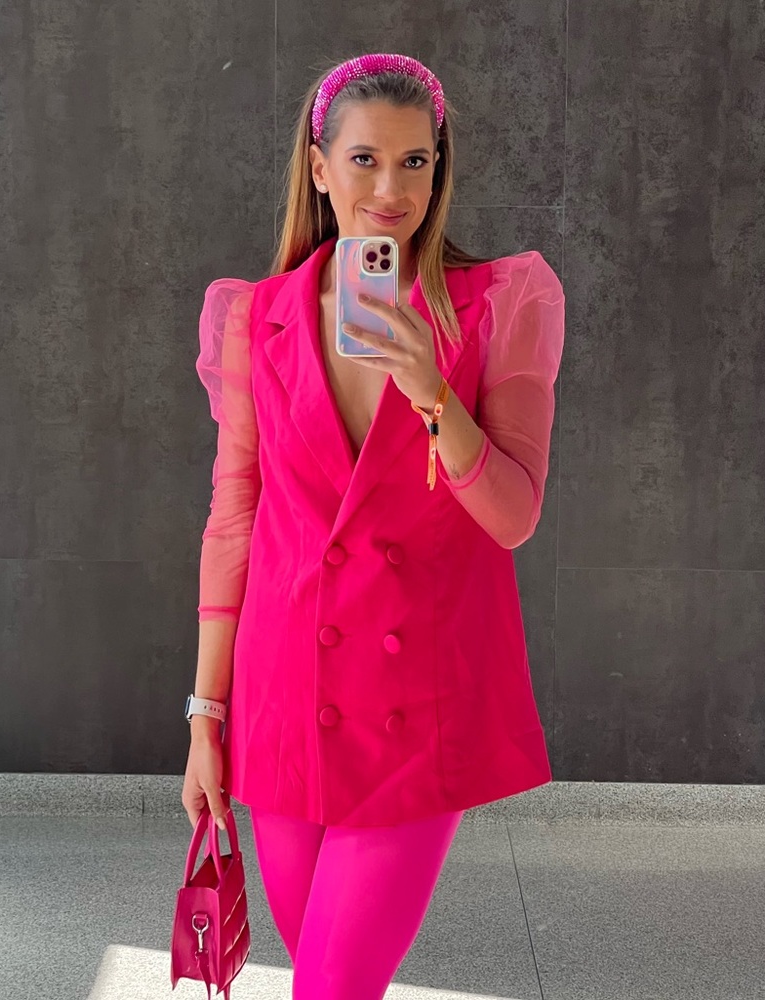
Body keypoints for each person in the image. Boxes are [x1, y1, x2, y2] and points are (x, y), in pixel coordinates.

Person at [181, 52, 566, 1000]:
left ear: (441, 167)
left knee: (331, 986)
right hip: (284, 697)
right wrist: (205, 718)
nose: (391, 190)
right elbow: (234, 518)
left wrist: (432, 393)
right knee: (321, 972)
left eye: (416, 162)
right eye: (364, 160)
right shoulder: (256, 317)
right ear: (318, 167)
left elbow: (513, 516)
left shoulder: (498, 305)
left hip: (415, 704)